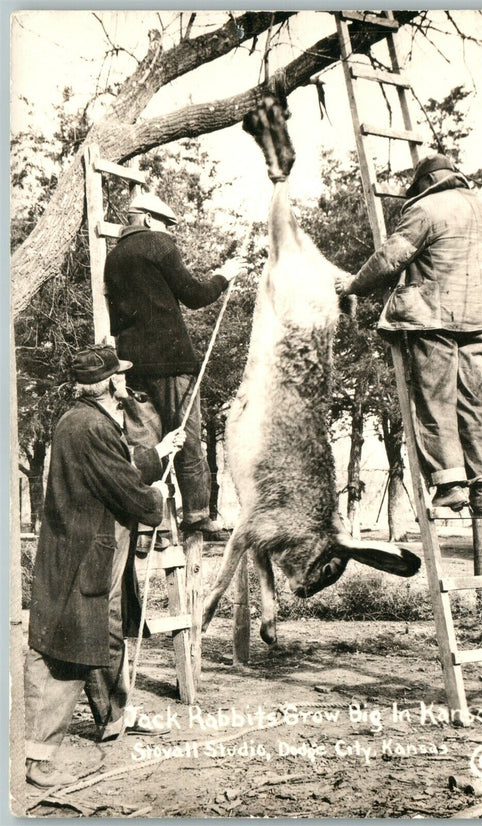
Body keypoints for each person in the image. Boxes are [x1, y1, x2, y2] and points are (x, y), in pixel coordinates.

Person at [25, 345, 186, 789]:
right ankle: (38, 759)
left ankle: (114, 716)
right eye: (120, 378)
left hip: (80, 550)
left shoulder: (78, 420)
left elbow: (114, 466)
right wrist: (157, 500)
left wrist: (158, 451)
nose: (125, 386)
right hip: (84, 555)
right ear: (110, 384)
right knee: (66, 651)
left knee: (102, 630)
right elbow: (121, 484)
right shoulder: (94, 426)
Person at [336, 154, 482, 514]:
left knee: (435, 399)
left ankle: (449, 484)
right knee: (472, 401)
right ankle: (481, 482)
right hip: (481, 318)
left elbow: (389, 260)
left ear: (426, 182)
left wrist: (352, 285)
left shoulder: (426, 208)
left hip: (435, 316)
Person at [104, 192, 244, 536]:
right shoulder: (158, 244)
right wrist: (223, 276)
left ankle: (155, 524)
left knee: (145, 445)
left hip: (131, 365)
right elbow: (195, 295)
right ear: (150, 220)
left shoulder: (113, 258)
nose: (170, 232)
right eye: (168, 225)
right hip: (172, 362)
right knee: (186, 438)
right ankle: (196, 515)